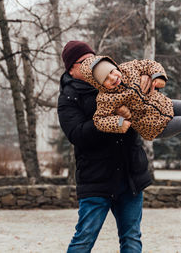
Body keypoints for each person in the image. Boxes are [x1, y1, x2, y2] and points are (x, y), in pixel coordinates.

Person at [58, 41, 152, 252]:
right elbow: (77, 134)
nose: (91, 64)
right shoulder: (68, 98)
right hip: (96, 179)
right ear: (71, 69)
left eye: (93, 58)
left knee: (132, 238)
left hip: (130, 176)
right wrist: (111, 119)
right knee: (84, 239)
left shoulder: (115, 78)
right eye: (84, 62)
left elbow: (144, 73)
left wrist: (149, 78)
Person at [78, 55, 181, 140]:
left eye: (112, 72)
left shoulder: (128, 68)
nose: (113, 78)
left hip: (163, 104)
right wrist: (119, 123)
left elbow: (149, 64)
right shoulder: (106, 99)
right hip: (153, 126)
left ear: (115, 66)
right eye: (106, 79)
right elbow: (99, 119)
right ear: (100, 85)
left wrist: (157, 76)